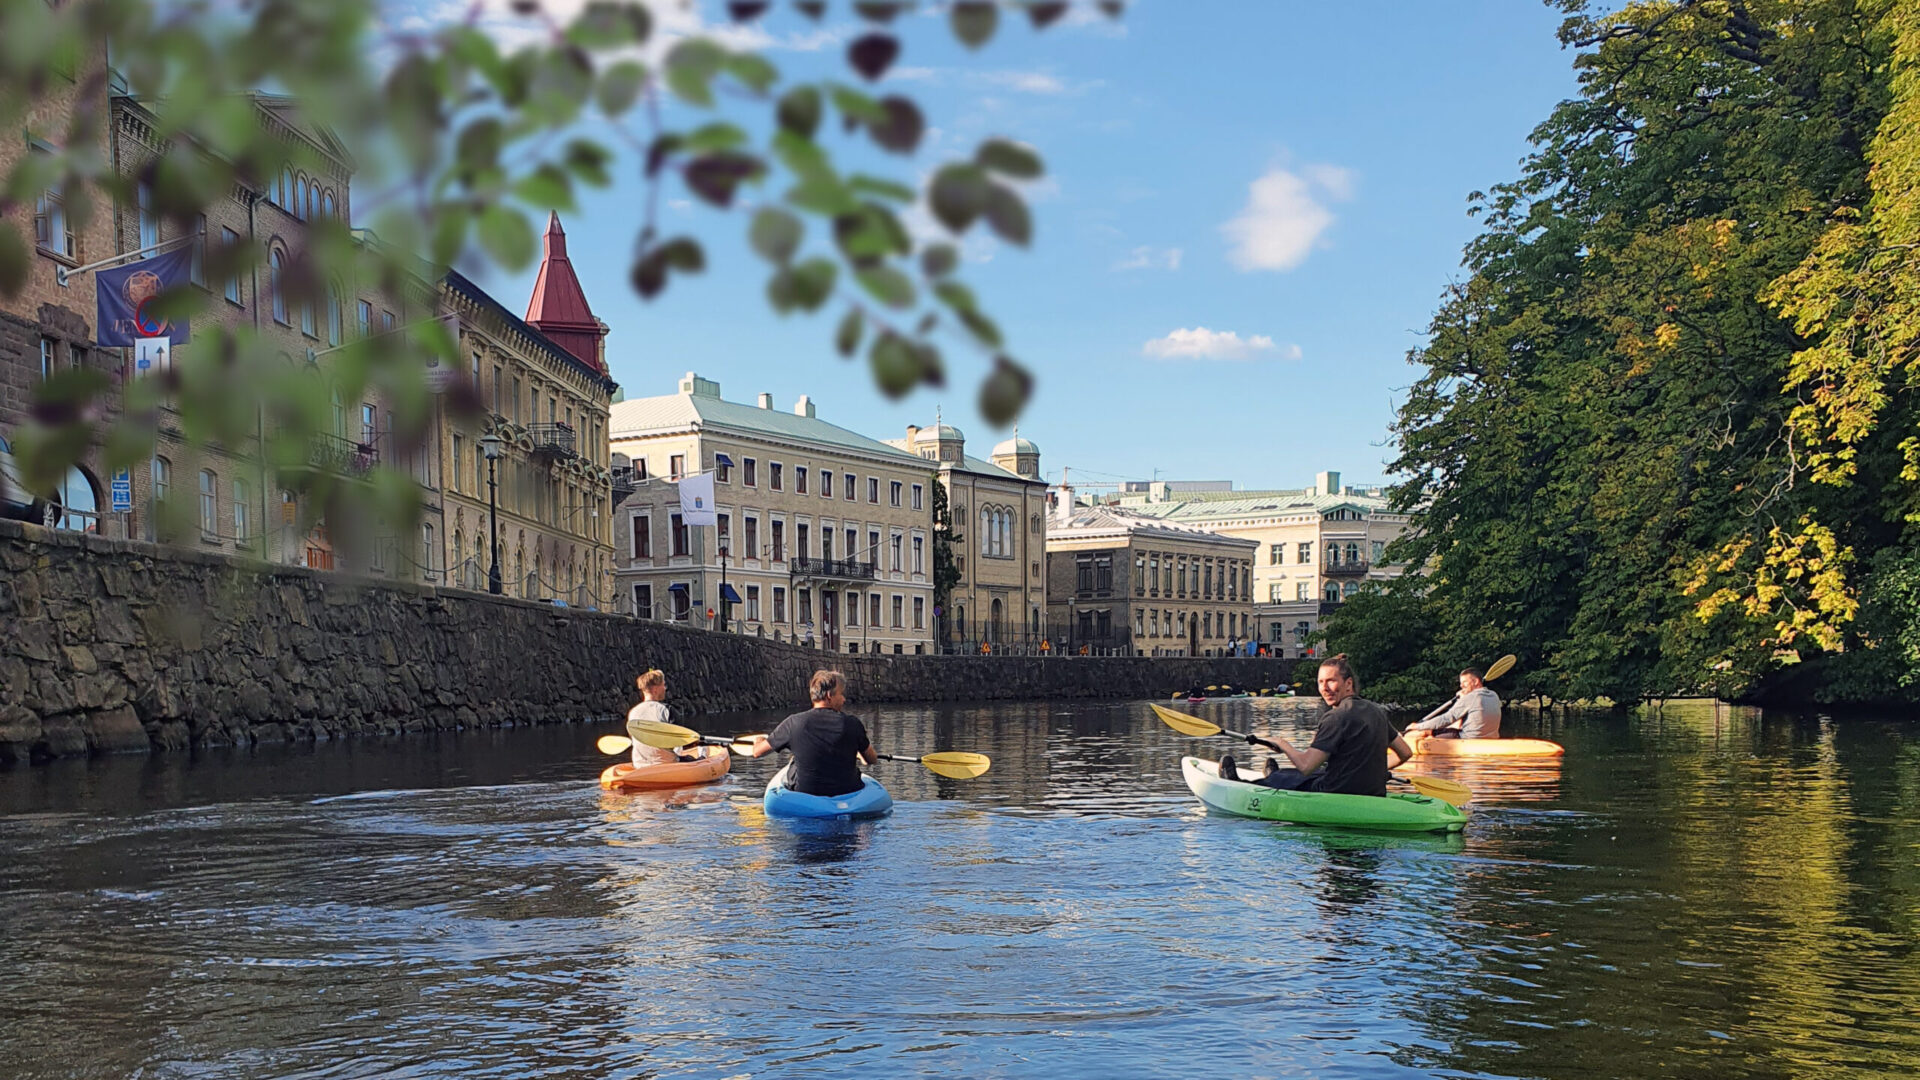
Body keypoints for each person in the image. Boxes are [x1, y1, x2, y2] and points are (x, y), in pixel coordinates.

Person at [1218, 653, 1412, 796]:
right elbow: (1405, 753)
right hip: (1372, 792)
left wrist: (1283, 744)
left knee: (1303, 775)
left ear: (1349, 684)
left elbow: (1306, 766)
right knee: (1314, 772)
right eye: (1320, 682)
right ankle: (1276, 775)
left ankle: (1239, 783)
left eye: (1331, 681)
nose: (1324, 689)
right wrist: (1374, 772)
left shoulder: (1337, 717)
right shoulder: (1376, 710)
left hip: (1336, 793)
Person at [747, 669, 878, 797]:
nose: (844, 699)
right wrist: (858, 753)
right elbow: (871, 759)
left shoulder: (793, 723)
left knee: (794, 761)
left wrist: (759, 740)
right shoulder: (853, 724)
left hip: (806, 792)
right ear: (829, 696)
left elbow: (757, 752)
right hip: (847, 791)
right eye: (841, 694)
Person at [1407, 667, 1502, 740]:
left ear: (1476, 681)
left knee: (1421, 732)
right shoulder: (1494, 695)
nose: (1461, 686)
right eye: (1461, 683)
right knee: (1439, 730)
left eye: (1465, 682)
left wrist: (1417, 726)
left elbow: (1446, 718)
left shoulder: (1471, 697)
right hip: (1490, 738)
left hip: (1466, 738)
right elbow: (1462, 720)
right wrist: (1462, 699)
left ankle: (1402, 746)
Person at [626, 669, 693, 766]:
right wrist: (694, 742)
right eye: (663, 684)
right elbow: (679, 741)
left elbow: (633, 739)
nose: (665, 688)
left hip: (639, 765)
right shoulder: (666, 710)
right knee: (694, 758)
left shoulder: (632, 712)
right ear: (655, 689)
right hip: (666, 763)